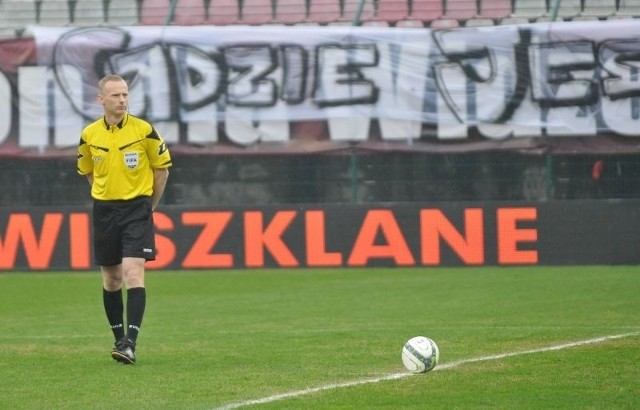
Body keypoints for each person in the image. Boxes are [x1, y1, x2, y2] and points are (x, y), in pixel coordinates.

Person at [77, 74, 172, 364]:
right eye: (116, 95)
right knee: (111, 279)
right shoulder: (90, 134)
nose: (122, 100)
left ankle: (131, 342)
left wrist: (148, 206)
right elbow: (88, 171)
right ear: (101, 99)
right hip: (105, 210)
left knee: (133, 273)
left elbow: (162, 170)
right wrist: (104, 192)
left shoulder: (144, 131)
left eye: (125, 95)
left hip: (137, 209)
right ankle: (119, 339)